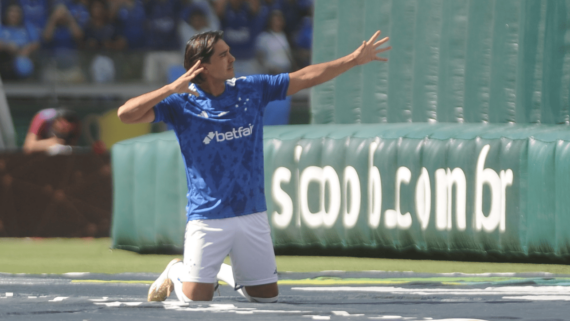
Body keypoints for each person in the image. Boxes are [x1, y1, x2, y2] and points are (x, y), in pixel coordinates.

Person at [117, 30, 390, 303]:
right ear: (202, 65)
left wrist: (354, 59)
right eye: (223, 55)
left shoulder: (250, 88)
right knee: (194, 302)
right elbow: (126, 115)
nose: (232, 58)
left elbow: (305, 77)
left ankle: (223, 273)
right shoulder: (181, 103)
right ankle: (177, 271)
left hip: (252, 212)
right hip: (208, 216)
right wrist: (169, 89)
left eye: (229, 52)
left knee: (266, 298)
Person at [0, 2, 40, 80]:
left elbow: (36, 43)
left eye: (17, 11)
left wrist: (28, 49)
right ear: (6, 13)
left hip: (25, 56)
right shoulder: (2, 27)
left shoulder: (27, 27)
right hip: (6, 58)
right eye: (11, 11)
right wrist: (8, 46)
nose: (14, 14)